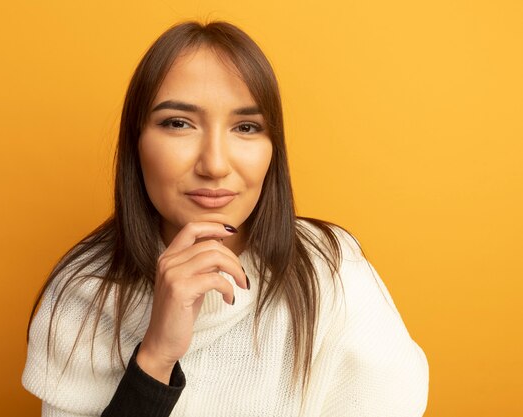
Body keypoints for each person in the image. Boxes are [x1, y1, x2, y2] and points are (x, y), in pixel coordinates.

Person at [21, 20, 429, 417]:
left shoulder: (332, 270)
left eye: (246, 127)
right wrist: (157, 356)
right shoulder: (86, 294)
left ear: (274, 150)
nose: (214, 164)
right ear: (136, 143)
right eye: (178, 123)